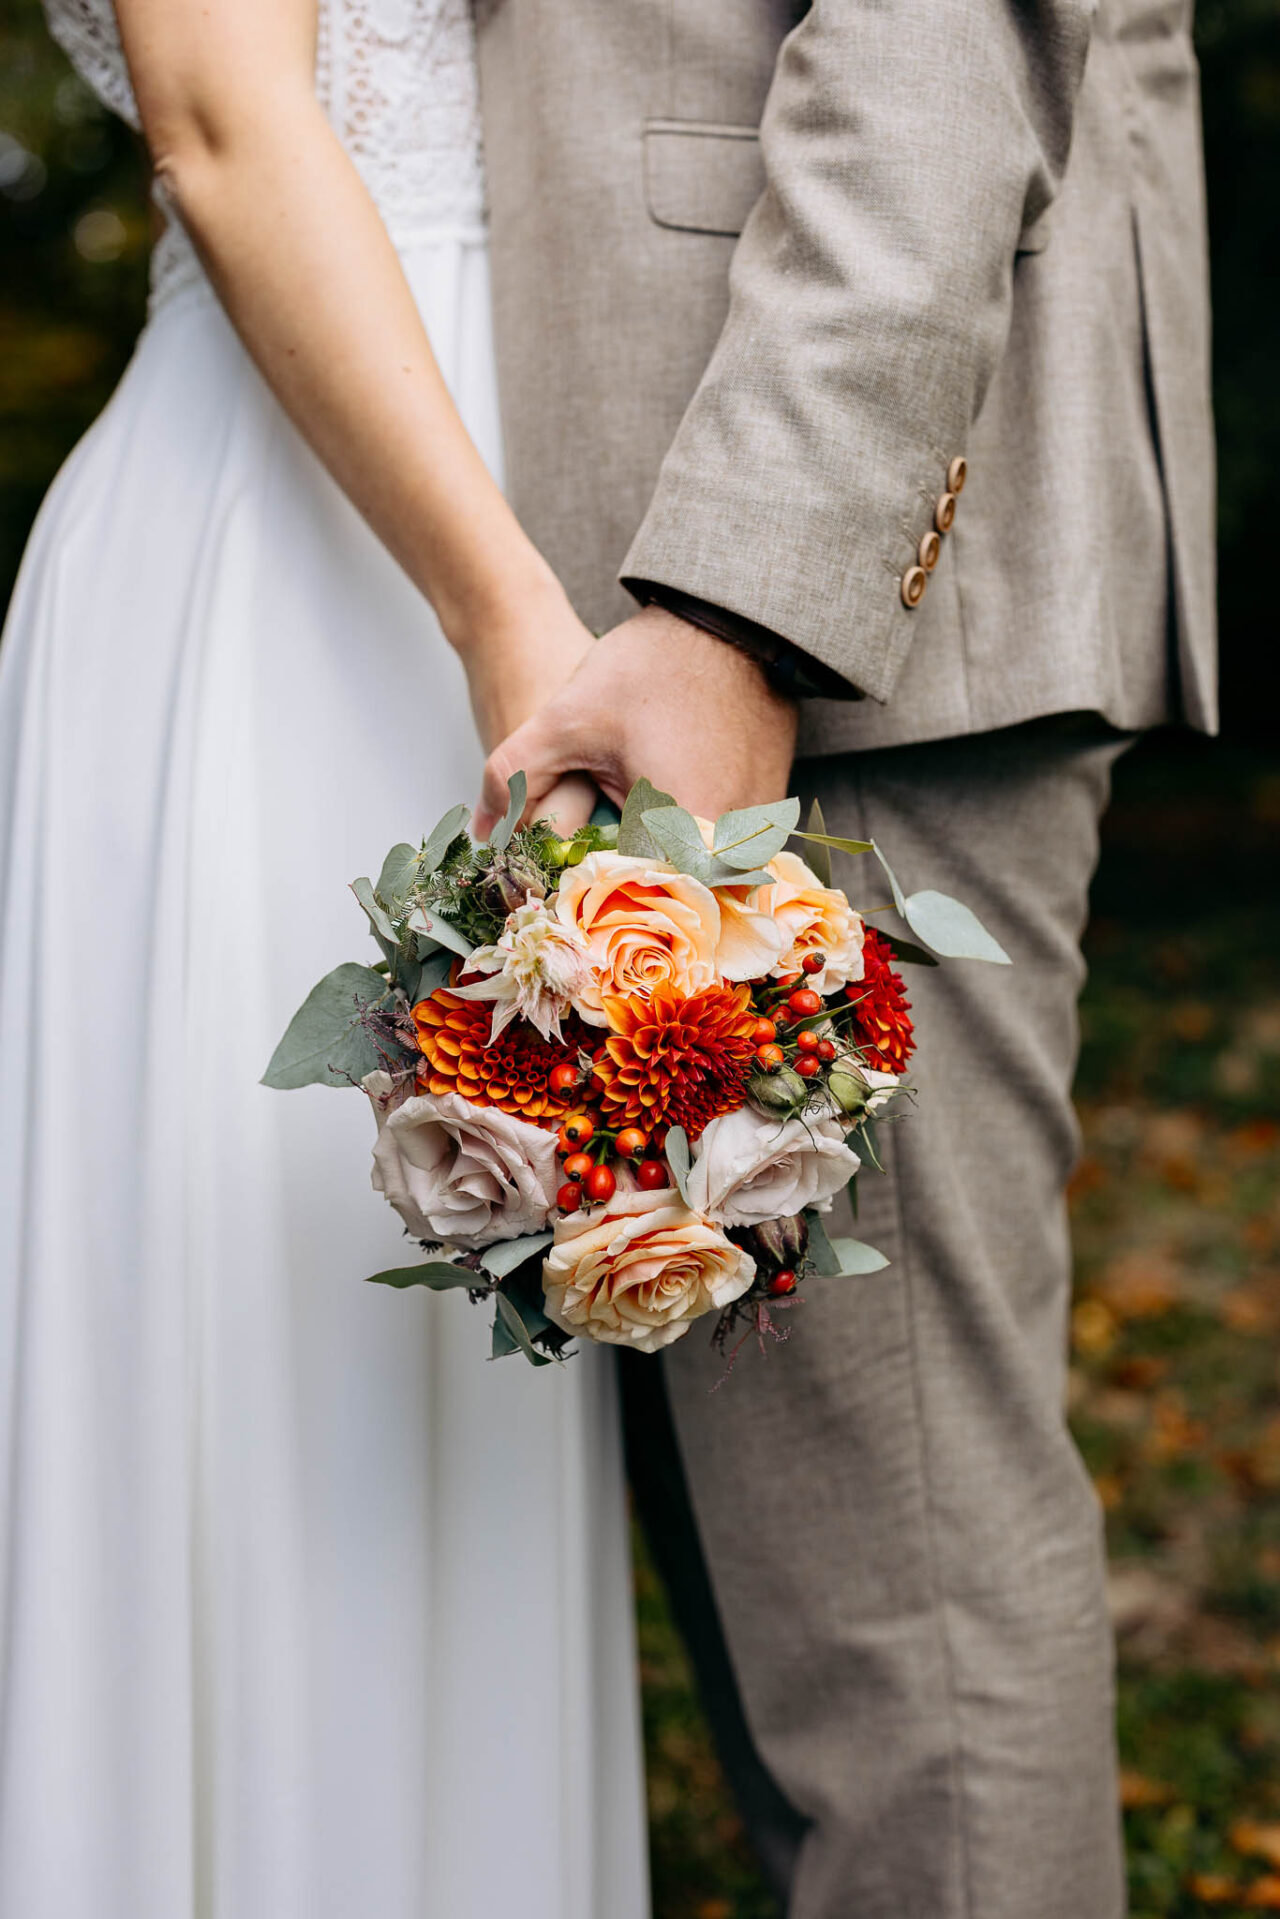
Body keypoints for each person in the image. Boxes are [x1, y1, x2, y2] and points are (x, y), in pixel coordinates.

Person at [471, 1, 1215, 1914]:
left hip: (819, 622)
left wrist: (738, 609)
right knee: (789, 1605)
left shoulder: (742, 618)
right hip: (594, 597)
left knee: (903, 1628)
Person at [0, 3, 648, 1915]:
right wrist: (512, 626)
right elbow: (223, 123)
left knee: (465, 1361)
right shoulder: (488, 609)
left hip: (494, 511)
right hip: (307, 544)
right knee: (279, 1341)